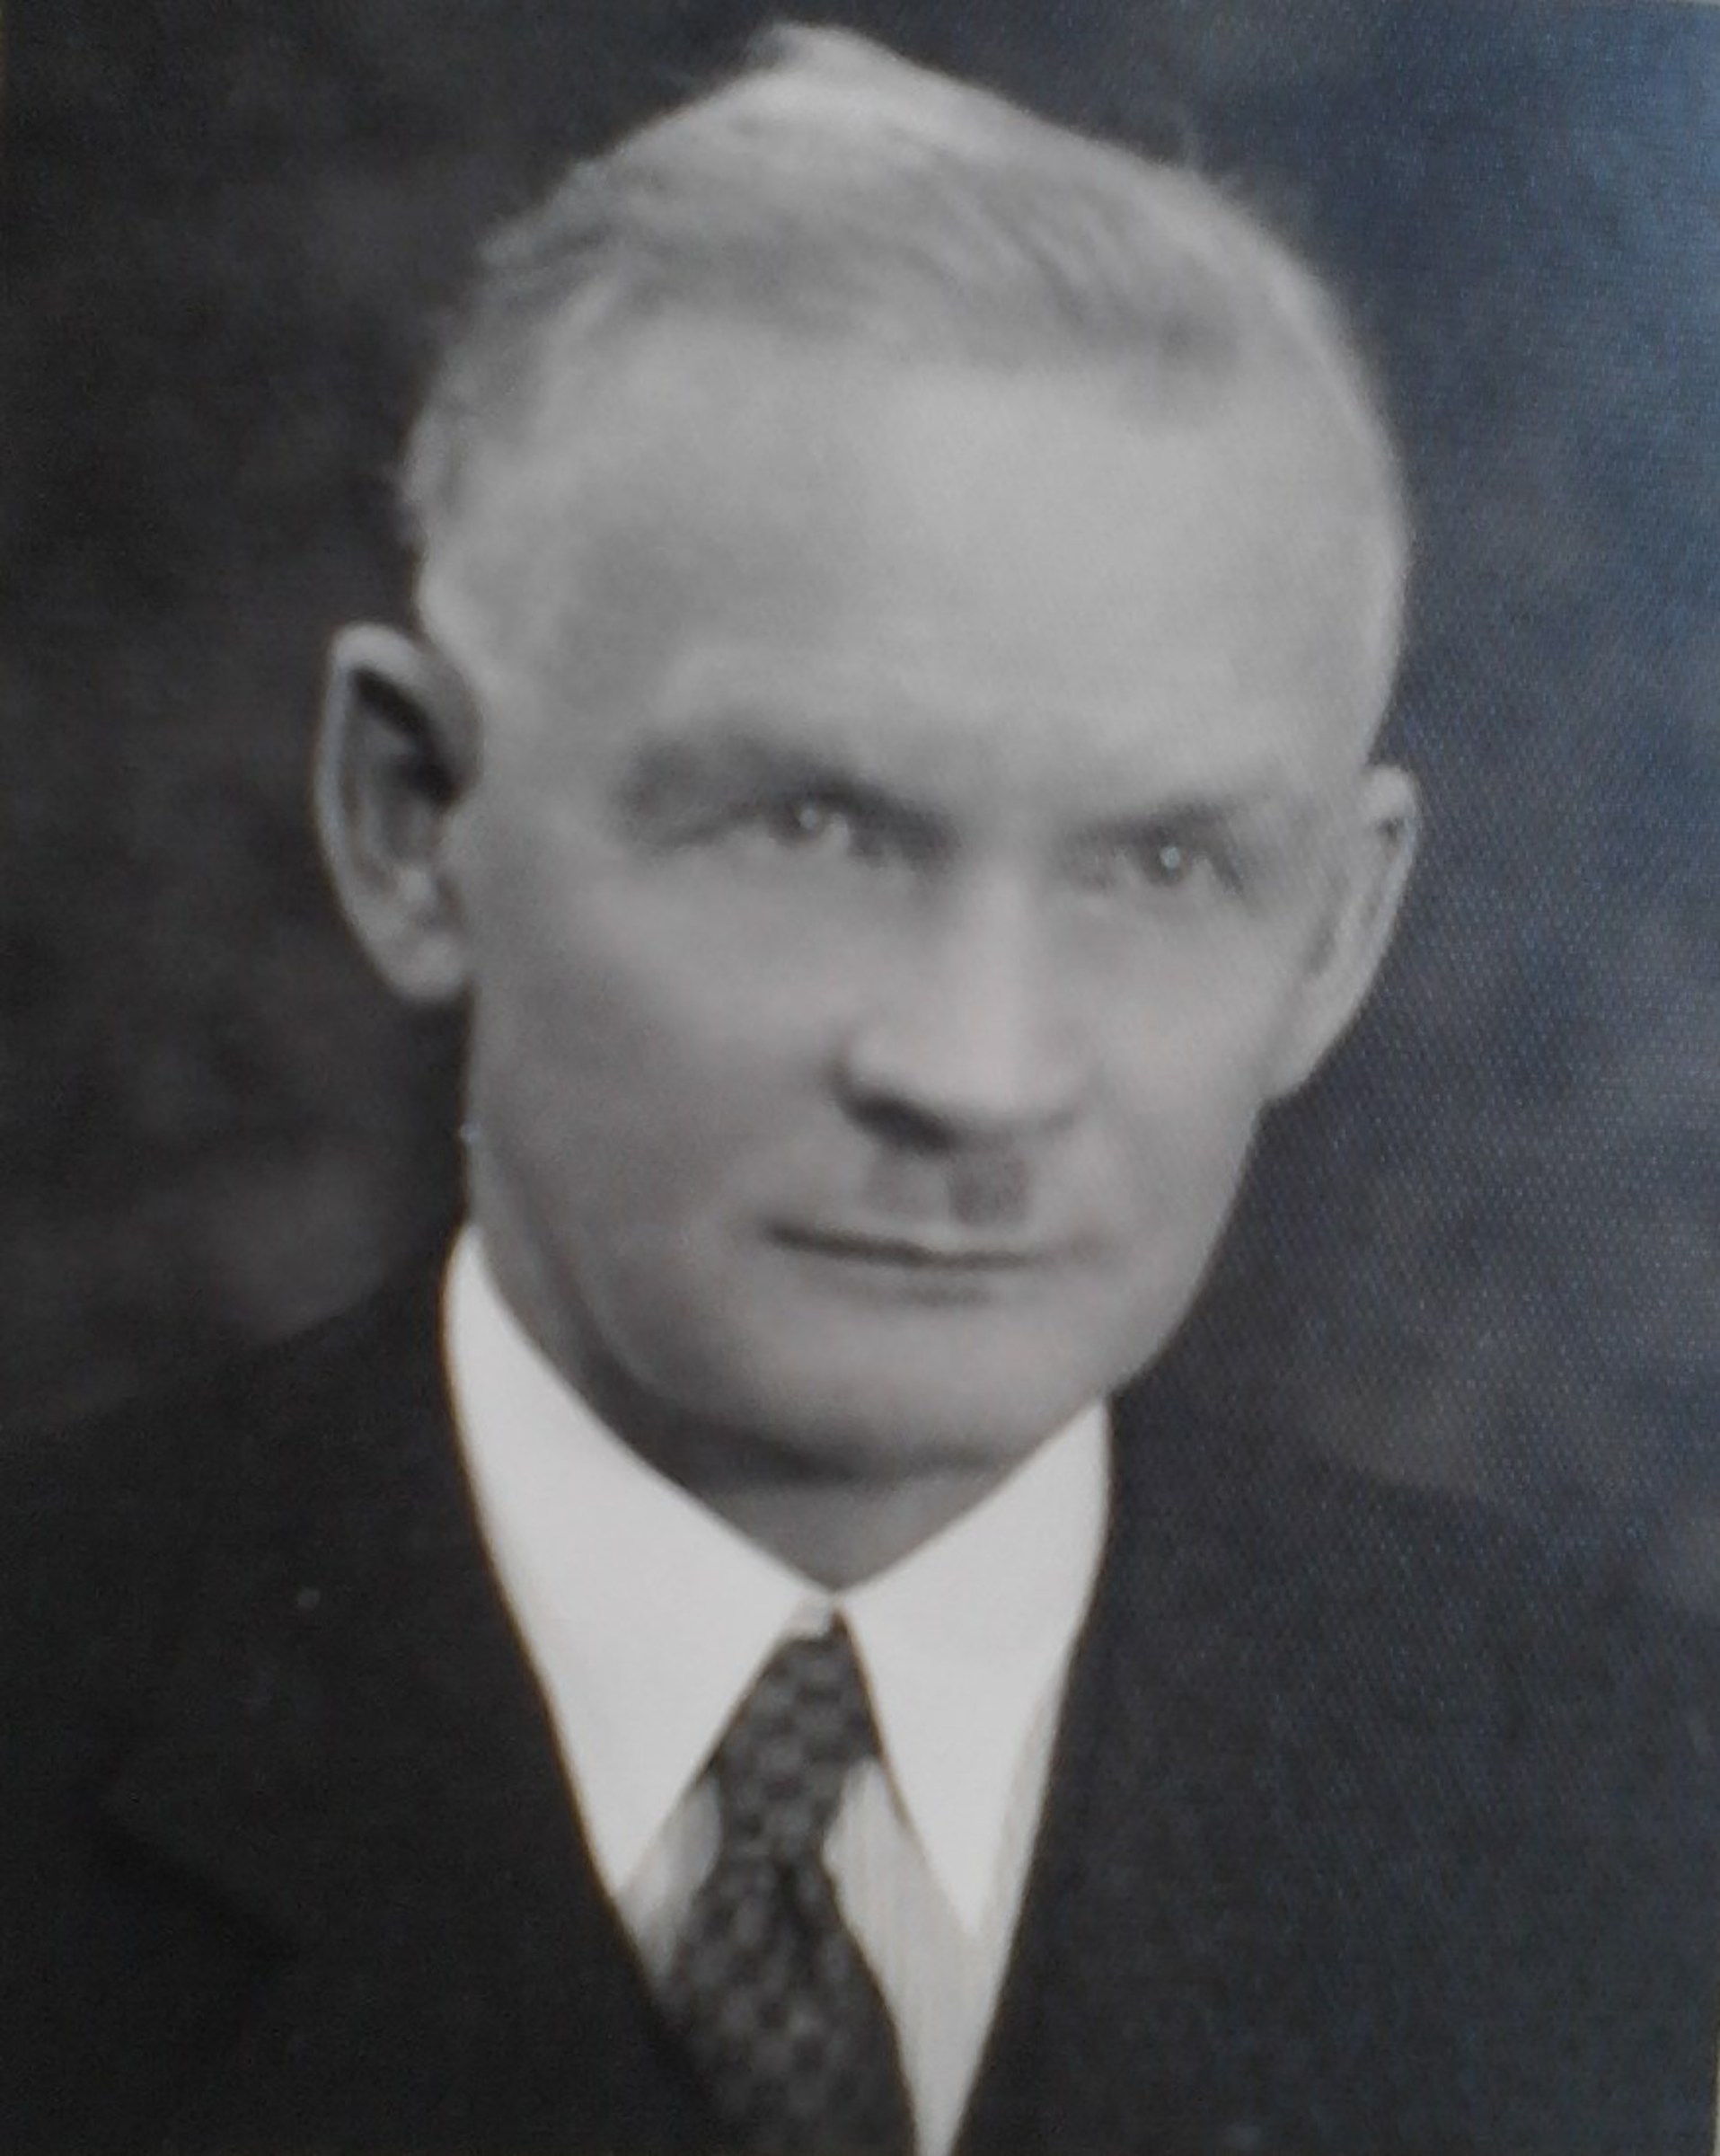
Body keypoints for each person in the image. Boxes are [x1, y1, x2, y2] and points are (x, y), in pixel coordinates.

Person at [4, 26, 1716, 2155]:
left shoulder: (1636, 1821)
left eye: (1161, 865)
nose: (973, 1075)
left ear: (1338, 935)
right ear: (411, 818)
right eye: (809, 827)